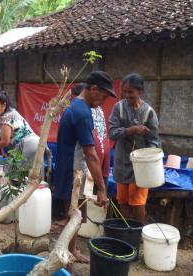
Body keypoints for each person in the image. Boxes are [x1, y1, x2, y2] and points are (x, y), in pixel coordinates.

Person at [54, 71, 116, 263]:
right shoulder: (81, 112)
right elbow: (90, 153)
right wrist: (102, 189)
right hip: (75, 171)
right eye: (104, 97)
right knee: (75, 216)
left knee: (76, 215)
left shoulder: (77, 107)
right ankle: (67, 254)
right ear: (94, 89)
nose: (104, 102)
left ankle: (71, 250)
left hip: (71, 168)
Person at [109, 73, 160, 224]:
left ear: (140, 91)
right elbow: (112, 133)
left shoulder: (149, 112)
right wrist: (132, 130)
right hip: (122, 161)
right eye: (124, 91)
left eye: (130, 92)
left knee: (137, 201)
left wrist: (152, 160)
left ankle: (138, 231)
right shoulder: (118, 108)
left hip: (141, 165)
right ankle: (126, 230)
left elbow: (154, 140)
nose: (127, 95)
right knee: (123, 201)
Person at [0, 91, 40, 167]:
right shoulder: (11, 112)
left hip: (25, 144)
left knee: (15, 173)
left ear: (3, 105)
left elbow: (5, 142)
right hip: (35, 142)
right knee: (29, 173)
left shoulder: (6, 117)